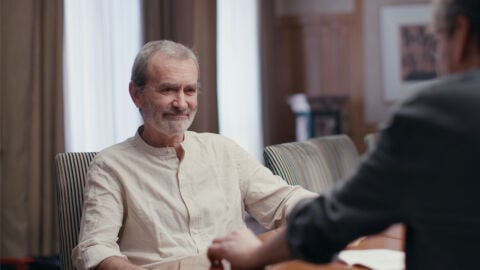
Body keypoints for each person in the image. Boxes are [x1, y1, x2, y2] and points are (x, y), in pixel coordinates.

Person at [207, 0, 480, 269]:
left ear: (461, 34)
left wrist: (255, 255)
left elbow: (334, 218)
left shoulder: (435, 113)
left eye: (438, 40)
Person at [72, 40, 316, 270]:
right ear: (136, 94)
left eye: (189, 90)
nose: (181, 103)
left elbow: (283, 202)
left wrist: (332, 215)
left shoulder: (223, 149)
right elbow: (96, 248)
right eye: (167, 89)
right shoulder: (110, 166)